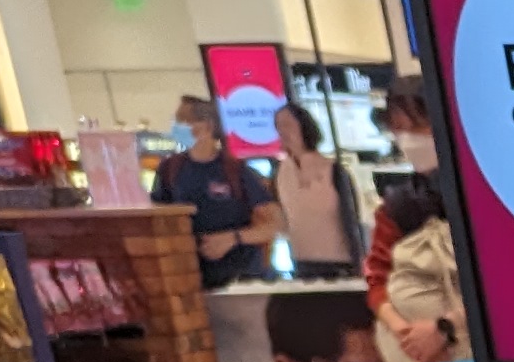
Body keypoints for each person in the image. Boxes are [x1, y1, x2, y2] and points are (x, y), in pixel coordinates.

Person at [149, 98, 280, 287]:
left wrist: (232, 238)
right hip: (191, 277)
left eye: (182, 121)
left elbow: (275, 224)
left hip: (240, 278)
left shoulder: (236, 171)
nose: (176, 127)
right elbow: (156, 217)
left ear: (207, 126)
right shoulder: (170, 169)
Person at [371, 173, 463, 362]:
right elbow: (377, 279)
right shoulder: (396, 207)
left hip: (481, 352)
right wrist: (404, 334)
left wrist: (444, 328)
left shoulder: (489, 197)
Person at [267, 101, 363, 278]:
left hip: (339, 264)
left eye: (288, 125)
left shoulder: (334, 171)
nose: (283, 132)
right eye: (278, 126)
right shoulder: (280, 173)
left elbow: (351, 222)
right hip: (302, 264)